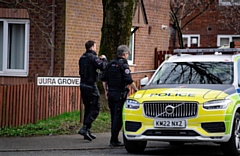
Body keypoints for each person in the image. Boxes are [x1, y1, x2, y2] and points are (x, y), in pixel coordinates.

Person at [102, 45, 138, 147]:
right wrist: (136, 90)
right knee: (118, 118)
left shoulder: (110, 64)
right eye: (127, 54)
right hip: (119, 94)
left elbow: (103, 79)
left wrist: (106, 91)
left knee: (113, 116)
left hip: (111, 93)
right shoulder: (123, 65)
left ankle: (114, 139)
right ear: (125, 54)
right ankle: (113, 140)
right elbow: (129, 80)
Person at [78, 40, 108, 141]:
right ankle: (85, 128)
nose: (96, 48)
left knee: (88, 108)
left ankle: (87, 131)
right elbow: (103, 67)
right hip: (91, 85)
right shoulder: (93, 57)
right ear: (91, 47)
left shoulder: (82, 58)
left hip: (83, 84)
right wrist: (104, 59)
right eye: (95, 47)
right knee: (95, 108)